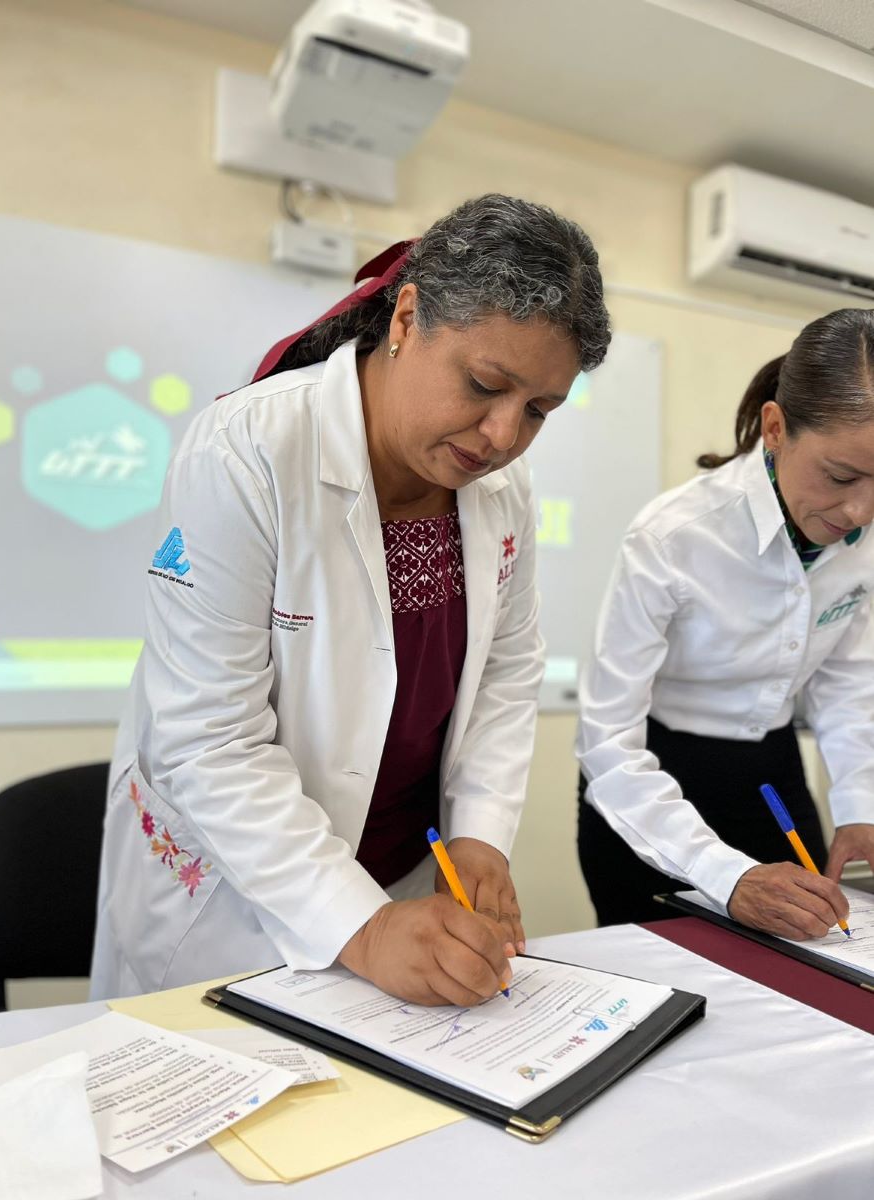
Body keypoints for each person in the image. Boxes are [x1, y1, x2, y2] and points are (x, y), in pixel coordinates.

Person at [90, 193, 611, 1005]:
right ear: (406, 319)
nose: (504, 436)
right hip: (241, 891)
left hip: (402, 879)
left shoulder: (502, 488)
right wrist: (359, 927)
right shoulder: (250, 452)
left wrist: (478, 836)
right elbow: (209, 741)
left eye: (539, 410)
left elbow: (508, 670)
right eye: (484, 384)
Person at [576, 307, 874, 940]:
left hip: (772, 771)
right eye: (841, 475)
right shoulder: (673, 537)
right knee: (673, 984)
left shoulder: (864, 537)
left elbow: (846, 685)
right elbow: (606, 740)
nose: (858, 511)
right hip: (653, 777)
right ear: (775, 427)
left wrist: (859, 805)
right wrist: (725, 875)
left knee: (812, 972)